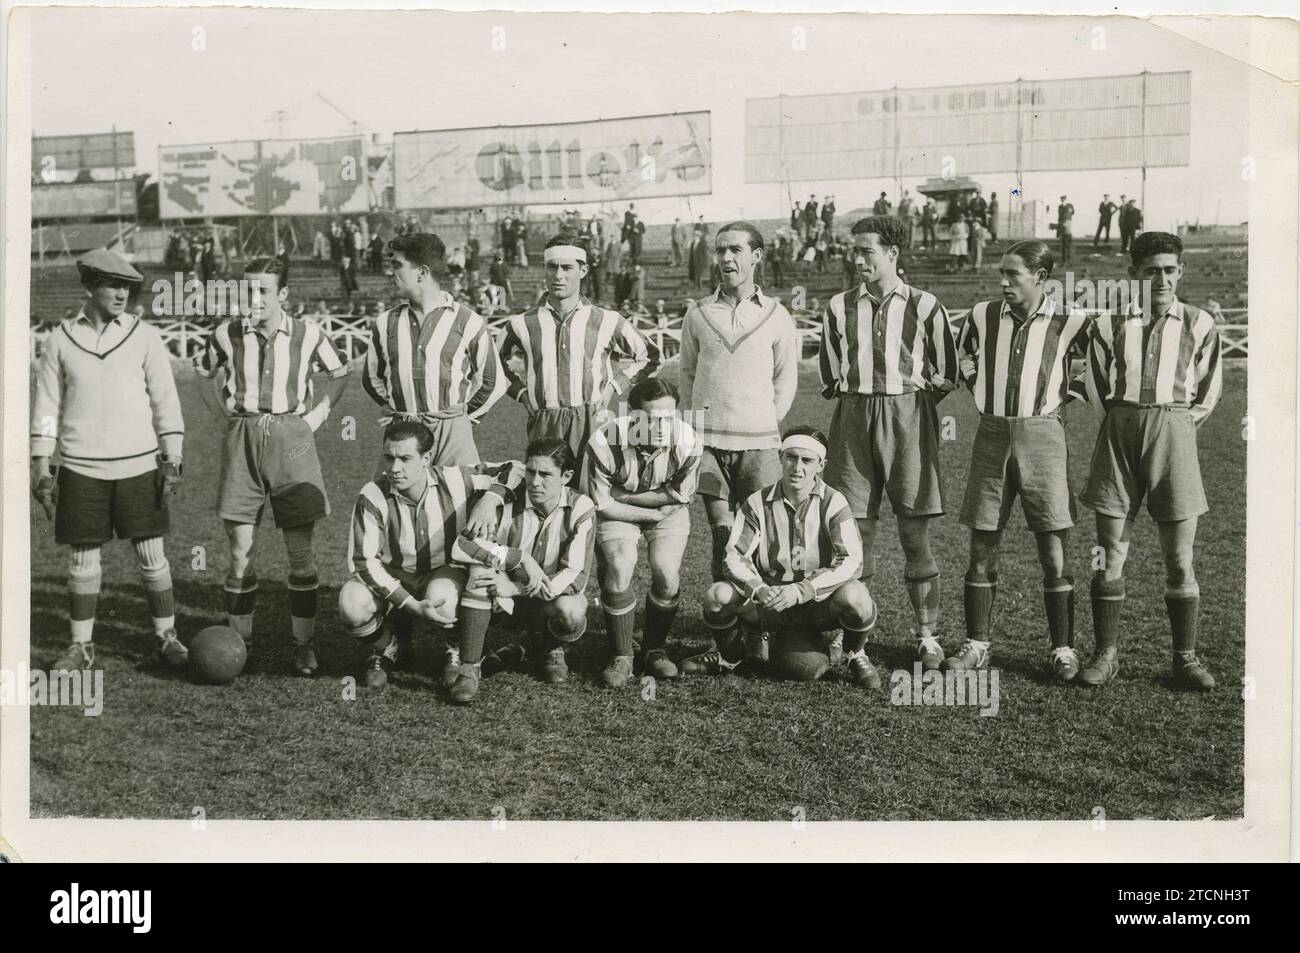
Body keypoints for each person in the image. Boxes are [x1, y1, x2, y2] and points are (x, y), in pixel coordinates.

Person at [1077, 232, 1222, 691]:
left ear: (1180, 271)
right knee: (1108, 553)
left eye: (1169, 269)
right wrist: (1125, 422)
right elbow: (1097, 389)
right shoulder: (1107, 325)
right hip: (1118, 437)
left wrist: (1173, 427)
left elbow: (1207, 392)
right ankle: (1106, 654)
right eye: (1151, 270)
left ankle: (1185, 658)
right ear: (1133, 274)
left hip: (1174, 436)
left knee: (1180, 557)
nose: (1161, 278)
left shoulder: (1199, 324)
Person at [192, 257, 351, 676]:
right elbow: (202, 373)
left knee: (300, 554)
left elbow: (339, 373)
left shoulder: (308, 334)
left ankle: (304, 645)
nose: (253, 298)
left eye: (262, 290)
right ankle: (239, 644)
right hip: (242, 439)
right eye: (247, 290)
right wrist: (222, 419)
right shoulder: (226, 333)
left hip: (292, 441)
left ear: (282, 294)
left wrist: (317, 417)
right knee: (240, 552)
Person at [31, 249, 187, 672]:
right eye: (112, 285)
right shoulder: (60, 339)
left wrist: (172, 457)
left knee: (152, 555)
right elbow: (46, 404)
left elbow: (165, 401)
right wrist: (41, 465)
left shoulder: (145, 336)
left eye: (127, 287)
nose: (122, 294)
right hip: (81, 466)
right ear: (89, 287)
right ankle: (81, 646)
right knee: (83, 560)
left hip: (139, 464)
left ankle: (166, 636)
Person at [819, 216, 959, 676]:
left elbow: (946, 374)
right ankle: (849, 636)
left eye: (866, 251)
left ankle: (927, 637)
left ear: (893, 253)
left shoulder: (926, 306)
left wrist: (907, 404)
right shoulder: (838, 307)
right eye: (854, 251)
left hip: (909, 418)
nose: (857, 259)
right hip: (854, 420)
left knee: (914, 534)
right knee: (855, 536)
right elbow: (830, 375)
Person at [946, 240, 1091, 681]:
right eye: (1001, 275)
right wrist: (978, 387)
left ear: (1041, 278)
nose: (1004, 283)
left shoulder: (1072, 321)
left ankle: (1062, 648)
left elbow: (1089, 368)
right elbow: (961, 354)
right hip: (992, 432)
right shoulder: (982, 315)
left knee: (1052, 544)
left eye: (1014, 275)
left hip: (1043, 434)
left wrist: (1058, 400)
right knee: (982, 539)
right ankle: (977, 645)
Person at [677, 221, 799, 673]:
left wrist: (764, 424)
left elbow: (785, 381)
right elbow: (687, 376)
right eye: (720, 250)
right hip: (709, 446)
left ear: (756, 257)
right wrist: (695, 435)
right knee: (723, 537)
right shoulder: (698, 312)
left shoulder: (776, 314)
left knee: (762, 542)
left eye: (735, 251)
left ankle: (760, 634)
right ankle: (724, 643)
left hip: (759, 446)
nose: (726, 258)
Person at [339, 420, 523, 692]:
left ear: (426, 458)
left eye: (405, 458)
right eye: (388, 457)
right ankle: (389, 647)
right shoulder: (373, 493)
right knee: (351, 604)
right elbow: (364, 561)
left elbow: (516, 468)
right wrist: (411, 605)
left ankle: (454, 649)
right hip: (395, 573)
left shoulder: (457, 479)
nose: (394, 468)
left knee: (444, 600)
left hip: (440, 572)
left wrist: (490, 500)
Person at [702, 425, 878, 684]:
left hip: (817, 604)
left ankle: (855, 653)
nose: (798, 467)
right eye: (791, 457)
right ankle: (731, 657)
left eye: (807, 460)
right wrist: (760, 590)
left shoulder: (833, 502)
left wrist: (803, 589)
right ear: (780, 458)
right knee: (716, 595)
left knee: (858, 597)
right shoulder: (756, 503)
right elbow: (733, 556)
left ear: (821, 465)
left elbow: (851, 561)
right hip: (771, 600)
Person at [498, 235, 660, 480]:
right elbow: (491, 364)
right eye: (552, 267)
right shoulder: (521, 323)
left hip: (591, 417)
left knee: (593, 492)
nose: (558, 275)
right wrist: (521, 393)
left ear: (583, 270)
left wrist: (614, 387)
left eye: (567, 267)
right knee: (546, 494)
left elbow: (651, 356)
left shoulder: (606, 320)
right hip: (544, 420)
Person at [449, 438, 596, 701]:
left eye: (546, 474)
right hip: (502, 598)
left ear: (567, 476)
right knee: (478, 575)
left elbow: (576, 576)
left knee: (572, 610)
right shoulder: (506, 500)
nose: (535, 481)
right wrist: (518, 558)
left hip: (539, 597)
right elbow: (463, 546)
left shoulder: (580, 507)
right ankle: (469, 670)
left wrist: (515, 588)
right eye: (530, 471)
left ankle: (544, 646)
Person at [581, 377, 701, 685]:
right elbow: (601, 505)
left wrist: (624, 496)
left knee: (666, 572)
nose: (661, 426)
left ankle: (654, 649)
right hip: (622, 513)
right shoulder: (604, 441)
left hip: (665, 513)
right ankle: (622, 655)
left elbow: (679, 498)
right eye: (650, 418)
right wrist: (645, 507)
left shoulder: (687, 440)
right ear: (632, 415)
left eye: (668, 417)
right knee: (620, 565)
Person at [363, 233, 507, 468]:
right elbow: (371, 378)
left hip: (452, 436)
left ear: (422, 272)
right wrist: (401, 408)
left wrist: (459, 419)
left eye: (397, 266)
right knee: (394, 501)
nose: (391, 273)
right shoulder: (385, 322)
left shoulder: (467, 320)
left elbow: (493, 382)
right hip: (403, 434)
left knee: (458, 499)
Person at [687, 226, 710, 291]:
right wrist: (689, 263)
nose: (695, 237)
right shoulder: (692, 244)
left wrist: (704, 263)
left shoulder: (702, 243)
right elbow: (691, 254)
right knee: (693, 274)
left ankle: (700, 286)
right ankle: (694, 286)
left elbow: (704, 254)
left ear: (698, 237)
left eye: (696, 236)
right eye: (694, 236)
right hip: (693, 262)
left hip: (699, 262)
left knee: (699, 275)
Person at [1056, 195, 1075, 268]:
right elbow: (1059, 216)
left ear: (1066, 199)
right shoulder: (1060, 207)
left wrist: (1067, 219)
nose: (1063, 200)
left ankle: (1069, 260)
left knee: (1067, 243)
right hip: (1061, 223)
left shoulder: (1069, 205)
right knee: (1063, 244)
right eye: (1062, 199)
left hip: (1067, 222)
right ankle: (1064, 260)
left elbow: (1072, 212)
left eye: (1064, 199)